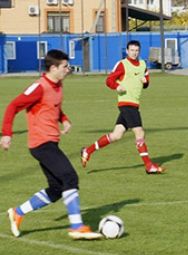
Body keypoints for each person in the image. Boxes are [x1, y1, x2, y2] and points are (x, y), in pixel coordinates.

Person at [1, 50, 102, 240]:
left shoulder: (58, 85)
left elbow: (53, 105)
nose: (68, 69)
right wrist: (7, 134)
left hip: (50, 143)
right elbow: (13, 106)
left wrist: (64, 119)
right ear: (53, 68)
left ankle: (18, 212)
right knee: (70, 177)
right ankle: (77, 226)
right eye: (65, 66)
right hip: (41, 143)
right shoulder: (39, 87)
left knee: (56, 189)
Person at [81, 40, 164, 174]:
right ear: (127, 51)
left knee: (116, 135)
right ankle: (149, 166)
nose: (134, 52)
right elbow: (109, 80)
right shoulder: (122, 64)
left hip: (134, 104)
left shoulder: (143, 65)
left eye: (136, 50)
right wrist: (117, 86)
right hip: (126, 103)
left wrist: (145, 82)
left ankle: (87, 150)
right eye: (132, 50)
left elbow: (146, 81)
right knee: (139, 133)